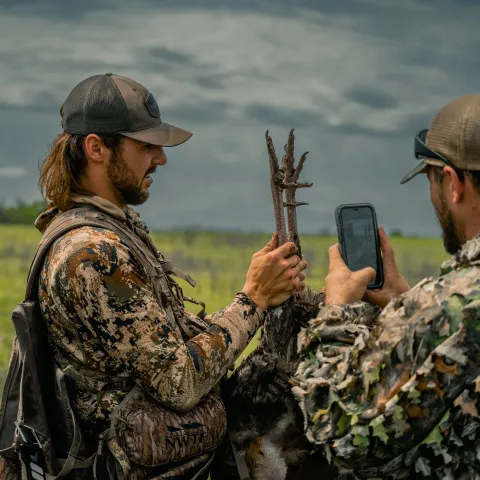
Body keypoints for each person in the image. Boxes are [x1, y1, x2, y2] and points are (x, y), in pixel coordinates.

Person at [0, 73, 307, 480]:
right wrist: (253, 300)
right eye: (146, 147)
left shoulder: (110, 230)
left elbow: (162, 346)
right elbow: (177, 380)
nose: (160, 159)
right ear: (96, 148)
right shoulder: (94, 253)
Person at [293, 93, 480, 479]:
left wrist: (336, 313)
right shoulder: (437, 308)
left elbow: (335, 431)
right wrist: (405, 303)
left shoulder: (443, 306)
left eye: (431, 178)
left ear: (453, 183)